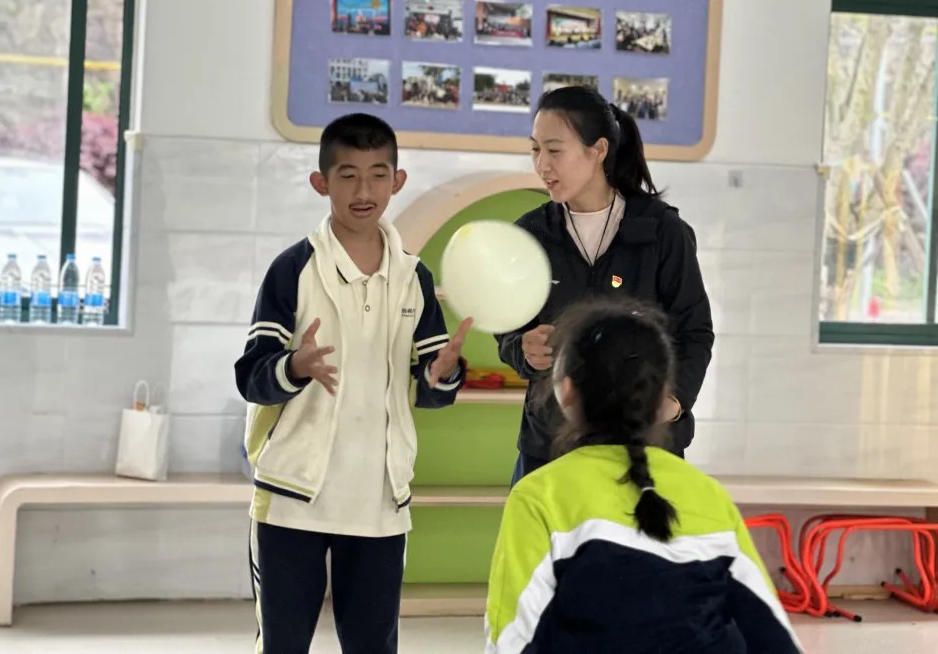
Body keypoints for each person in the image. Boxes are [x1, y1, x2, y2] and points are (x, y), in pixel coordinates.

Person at [234, 113, 472, 654]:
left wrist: (442, 376)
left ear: (397, 181)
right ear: (321, 183)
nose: (364, 192)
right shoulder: (292, 270)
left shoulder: (414, 277)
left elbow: (430, 388)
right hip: (292, 496)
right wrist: (295, 367)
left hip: (379, 501)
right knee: (282, 643)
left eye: (377, 175)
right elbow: (251, 377)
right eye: (348, 176)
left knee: (373, 644)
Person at [485, 299, 802, 653]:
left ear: (566, 390)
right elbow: (774, 638)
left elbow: (512, 638)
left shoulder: (539, 496)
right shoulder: (708, 495)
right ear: (663, 396)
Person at [496, 85, 713, 483]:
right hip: (550, 449)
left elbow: (694, 330)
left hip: (645, 447)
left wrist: (674, 401)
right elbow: (509, 331)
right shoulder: (531, 234)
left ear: (598, 150)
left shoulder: (662, 232)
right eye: (535, 150)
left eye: (554, 150)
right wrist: (522, 349)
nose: (542, 164)